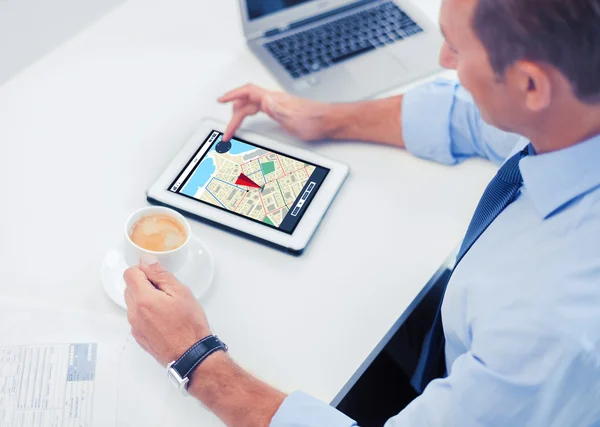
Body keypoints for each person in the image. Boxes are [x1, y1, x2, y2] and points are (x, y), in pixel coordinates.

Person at [123, 0, 600, 425]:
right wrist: (325, 118)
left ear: (531, 84)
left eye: (457, 48)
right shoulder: (576, 112)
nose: (442, 61)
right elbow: (469, 116)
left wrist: (195, 360)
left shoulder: (551, 329)